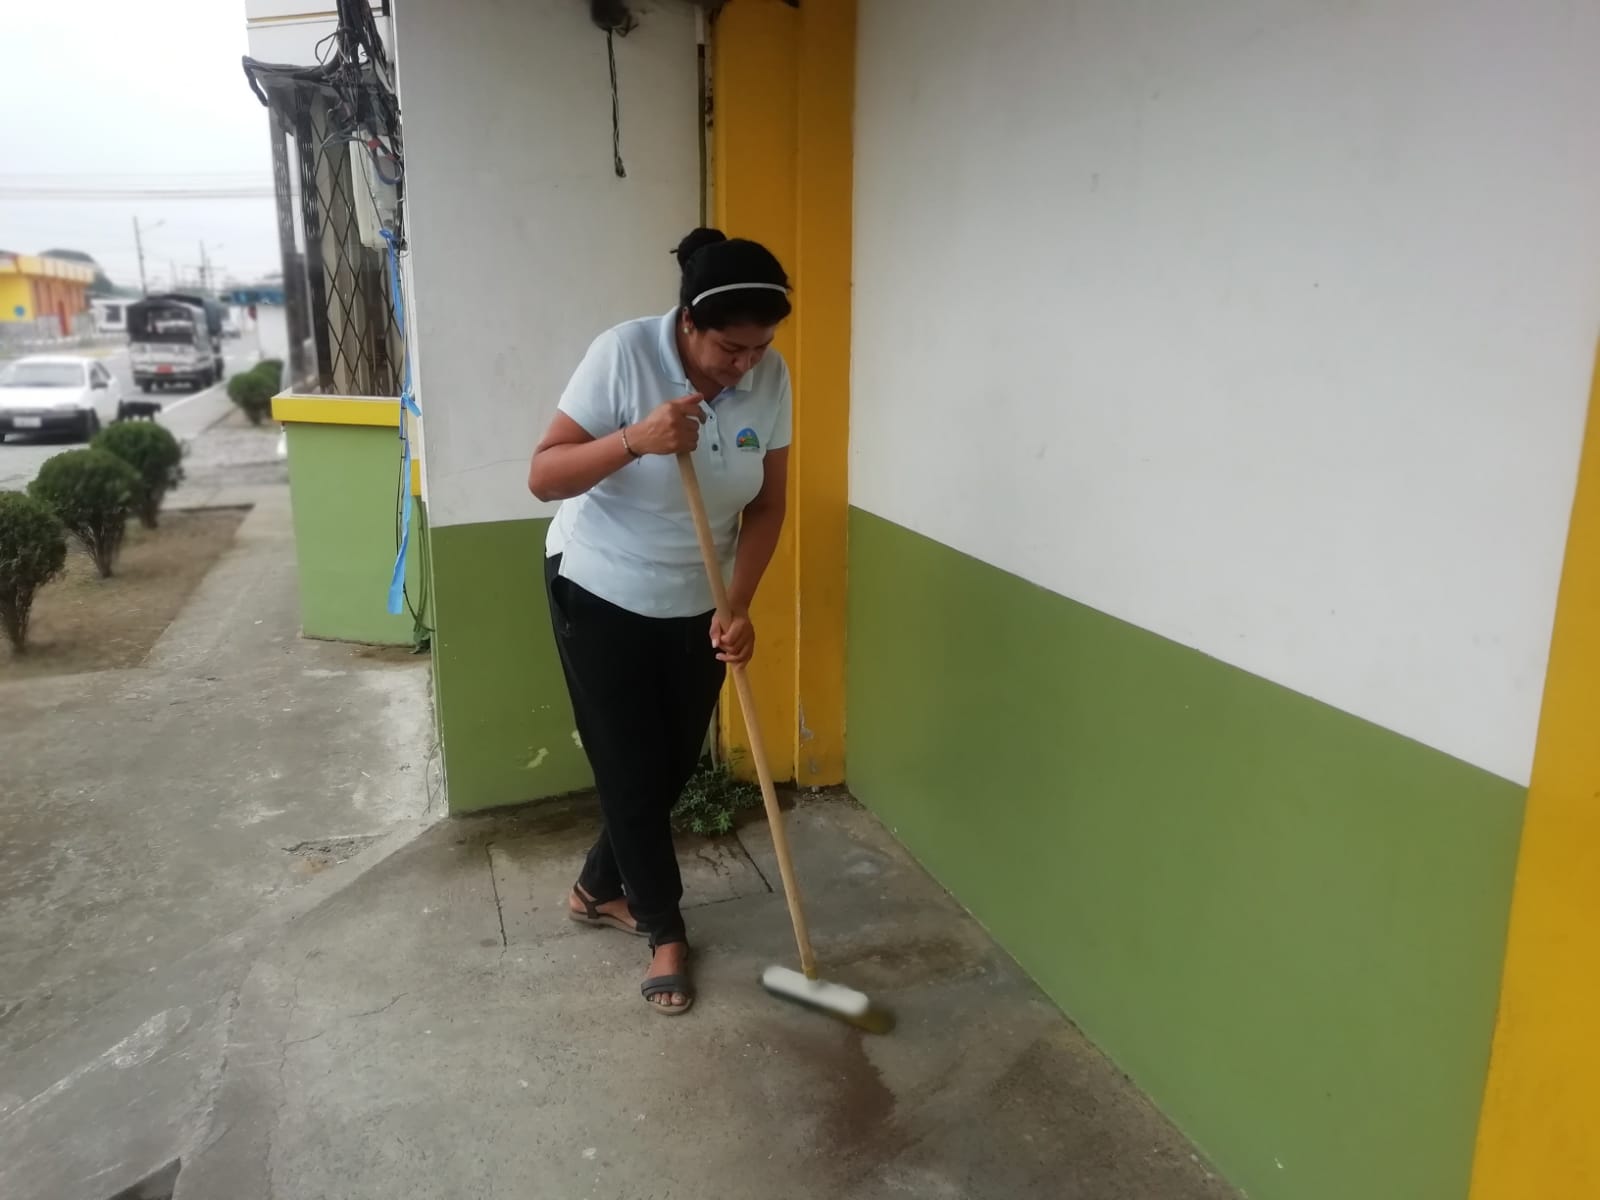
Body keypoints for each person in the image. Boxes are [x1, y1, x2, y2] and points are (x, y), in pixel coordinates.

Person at [527, 228, 793, 1015]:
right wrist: (634, 440)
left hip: (699, 597)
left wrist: (737, 603)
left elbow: (768, 505)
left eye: (760, 347)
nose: (745, 364)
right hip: (599, 589)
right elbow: (544, 475)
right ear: (687, 323)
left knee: (670, 764)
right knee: (628, 768)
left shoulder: (770, 375)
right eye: (729, 348)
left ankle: (596, 887)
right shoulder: (623, 354)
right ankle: (663, 926)